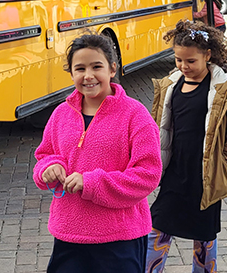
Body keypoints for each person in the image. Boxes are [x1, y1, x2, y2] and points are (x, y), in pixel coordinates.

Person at [33, 34, 162, 273]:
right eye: (79, 68)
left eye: (96, 66)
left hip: (119, 238)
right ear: (71, 74)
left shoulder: (135, 115)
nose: (88, 75)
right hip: (69, 234)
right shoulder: (61, 114)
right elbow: (45, 155)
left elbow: (148, 175)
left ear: (113, 69)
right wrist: (48, 168)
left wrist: (91, 182)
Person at [147, 20, 227, 272]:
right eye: (178, 60)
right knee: (156, 228)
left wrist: (224, 163)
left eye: (191, 61)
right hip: (174, 171)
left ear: (208, 55)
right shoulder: (170, 86)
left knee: (204, 238)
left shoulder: (224, 90)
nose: (184, 66)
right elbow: (158, 125)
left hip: (206, 175)